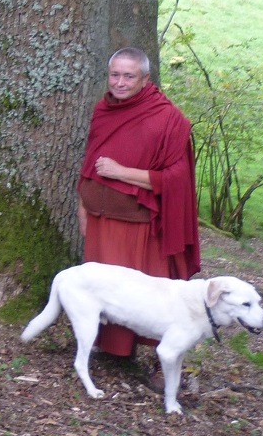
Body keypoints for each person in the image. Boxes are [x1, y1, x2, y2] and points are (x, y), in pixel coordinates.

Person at [78, 47, 200, 358]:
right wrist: (84, 209)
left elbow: (178, 180)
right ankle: (108, 349)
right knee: (104, 290)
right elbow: (91, 165)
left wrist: (121, 173)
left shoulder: (168, 119)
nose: (119, 82)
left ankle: (160, 359)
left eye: (128, 76)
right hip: (98, 219)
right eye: (114, 75)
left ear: (145, 78)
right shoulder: (103, 110)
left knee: (136, 294)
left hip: (136, 225)